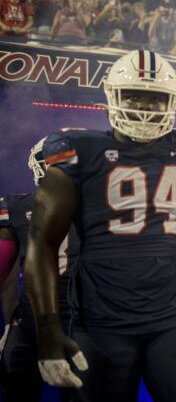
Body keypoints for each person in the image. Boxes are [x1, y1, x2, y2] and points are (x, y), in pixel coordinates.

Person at [24, 49, 176, 401]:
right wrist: (48, 328)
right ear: (112, 96)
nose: (144, 107)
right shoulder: (77, 150)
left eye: (155, 98)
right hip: (101, 320)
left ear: (172, 102)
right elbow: (42, 244)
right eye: (134, 95)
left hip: (173, 315)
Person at [0, 138, 79, 402]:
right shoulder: (101, 208)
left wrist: (9, 325)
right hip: (84, 316)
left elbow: (5, 277)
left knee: (19, 392)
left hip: (32, 316)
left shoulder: (17, 206)